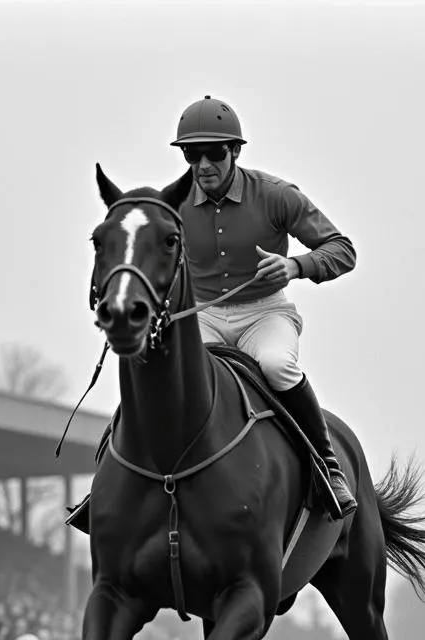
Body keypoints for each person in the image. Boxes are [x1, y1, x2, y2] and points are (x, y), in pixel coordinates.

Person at [68, 94, 359, 531]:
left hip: (264, 313)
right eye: (192, 154)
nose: (203, 164)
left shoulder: (277, 196)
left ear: (235, 151)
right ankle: (109, 483)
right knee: (159, 374)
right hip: (200, 315)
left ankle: (327, 467)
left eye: (214, 153)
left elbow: (343, 250)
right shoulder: (174, 207)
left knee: (278, 367)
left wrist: (296, 265)